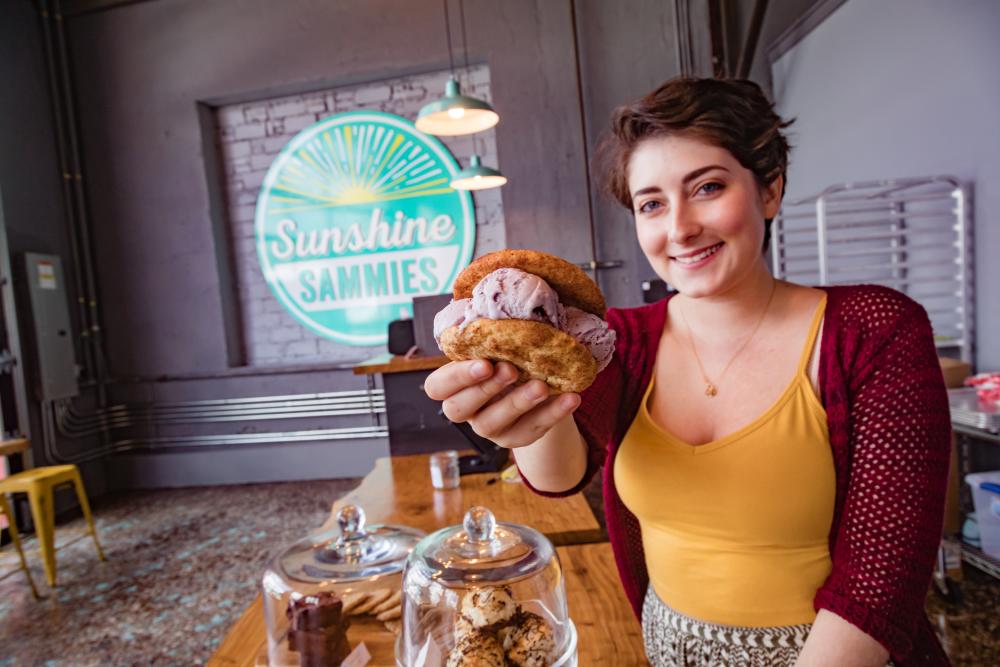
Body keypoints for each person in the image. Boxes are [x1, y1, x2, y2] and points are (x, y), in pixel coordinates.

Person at [424, 77, 951, 667]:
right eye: (651, 203)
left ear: (770, 190)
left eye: (707, 187)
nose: (679, 228)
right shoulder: (619, 341)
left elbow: (880, 584)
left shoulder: (875, 331)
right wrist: (520, 400)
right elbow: (560, 475)